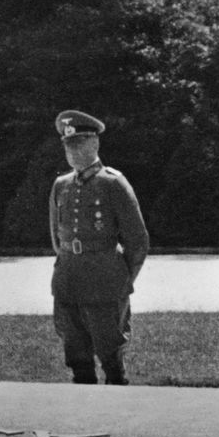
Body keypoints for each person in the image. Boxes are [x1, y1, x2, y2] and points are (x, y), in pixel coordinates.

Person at [49, 110, 149, 385]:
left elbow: (137, 240)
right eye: (69, 145)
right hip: (68, 279)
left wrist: (121, 278)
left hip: (104, 281)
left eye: (80, 143)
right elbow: (57, 237)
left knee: (110, 355)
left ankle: (117, 415)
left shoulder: (113, 182)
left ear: (95, 144)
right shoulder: (61, 185)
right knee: (77, 357)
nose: (74, 151)